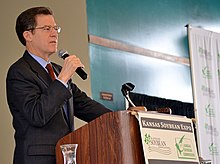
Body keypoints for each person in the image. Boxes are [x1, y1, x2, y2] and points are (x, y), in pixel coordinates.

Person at [6, 6, 111, 164]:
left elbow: (85, 105)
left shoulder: (57, 70)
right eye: (46, 28)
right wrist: (62, 80)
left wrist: (120, 117)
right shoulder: (19, 72)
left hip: (65, 157)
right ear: (28, 35)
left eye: (56, 28)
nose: (54, 33)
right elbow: (37, 114)